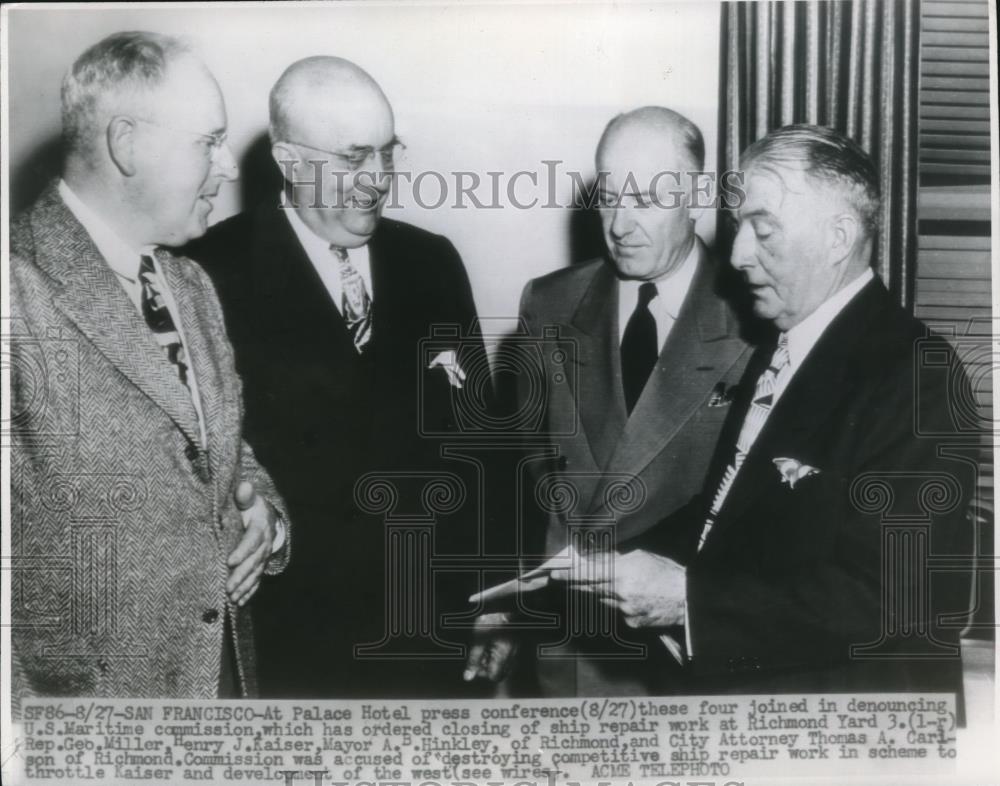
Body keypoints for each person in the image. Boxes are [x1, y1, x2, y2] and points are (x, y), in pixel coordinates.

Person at [561, 124, 976, 698]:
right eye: (738, 229)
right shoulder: (782, 343)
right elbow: (732, 515)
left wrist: (685, 601)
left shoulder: (918, 373)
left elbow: (895, 596)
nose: (736, 255)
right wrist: (621, 558)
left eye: (764, 230)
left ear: (838, 237)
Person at [186, 56, 489, 697]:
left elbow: (481, 449)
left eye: (387, 152)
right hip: (287, 649)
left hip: (431, 644)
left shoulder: (431, 262)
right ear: (289, 161)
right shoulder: (205, 273)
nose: (378, 180)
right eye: (354, 159)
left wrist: (495, 601)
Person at [9, 31, 289, 707]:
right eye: (208, 141)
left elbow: (215, 452)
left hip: (217, 694)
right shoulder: (16, 290)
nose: (226, 165)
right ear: (126, 142)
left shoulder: (189, 284)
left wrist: (265, 520)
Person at [465, 107, 752, 696]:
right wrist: (505, 607)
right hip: (570, 654)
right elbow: (523, 480)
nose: (620, 223)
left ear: (696, 195)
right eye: (608, 196)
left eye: (645, 198)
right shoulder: (549, 303)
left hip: (688, 659)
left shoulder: (755, 318)